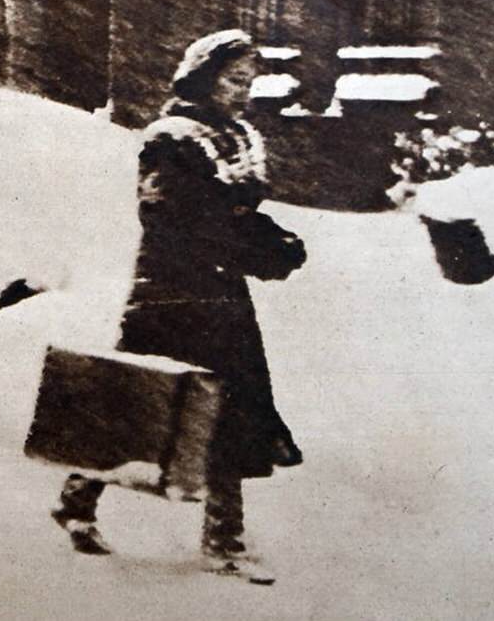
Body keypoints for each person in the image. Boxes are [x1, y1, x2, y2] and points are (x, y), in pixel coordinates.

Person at [52, 29, 306, 577]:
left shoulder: (237, 137)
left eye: (249, 82)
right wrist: (249, 248)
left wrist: (273, 241)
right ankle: (76, 501)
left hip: (221, 296)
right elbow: (171, 220)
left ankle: (224, 540)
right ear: (204, 76)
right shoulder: (171, 138)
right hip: (169, 294)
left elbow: (231, 215)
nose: (243, 91)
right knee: (139, 405)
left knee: (230, 410)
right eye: (234, 79)